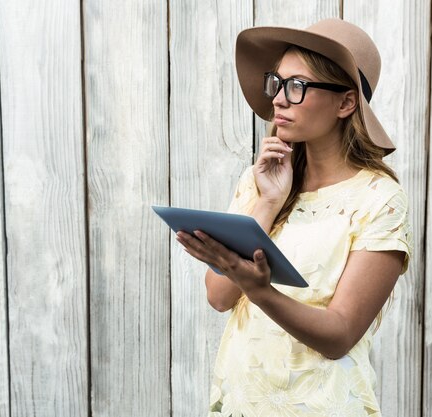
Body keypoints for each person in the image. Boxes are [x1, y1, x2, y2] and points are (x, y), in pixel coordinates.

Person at [175, 17, 413, 417]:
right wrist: (268, 202)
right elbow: (218, 296)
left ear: (345, 103)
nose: (279, 99)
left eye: (298, 86)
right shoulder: (259, 181)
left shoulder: (380, 199)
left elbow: (340, 335)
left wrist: (262, 290)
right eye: (278, 82)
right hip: (242, 404)